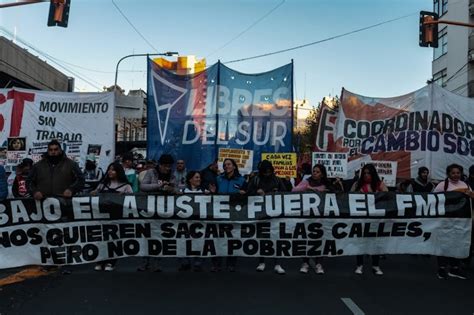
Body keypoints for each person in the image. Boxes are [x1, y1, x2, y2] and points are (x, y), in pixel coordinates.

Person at [292, 164, 338, 275]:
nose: (314, 173)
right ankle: (305, 263)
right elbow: (294, 190)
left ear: (322, 174)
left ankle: (319, 264)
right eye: (313, 171)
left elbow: (336, 194)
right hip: (307, 216)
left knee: (320, 240)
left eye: (317, 172)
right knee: (306, 240)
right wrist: (309, 188)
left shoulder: (327, 184)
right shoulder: (307, 181)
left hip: (321, 217)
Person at [247, 160, 287, 275]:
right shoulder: (255, 179)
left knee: (276, 238)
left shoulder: (277, 180)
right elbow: (248, 193)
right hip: (260, 213)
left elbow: (285, 193)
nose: (267, 174)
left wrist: (277, 192)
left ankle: (277, 263)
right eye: (265, 172)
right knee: (262, 237)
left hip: (275, 213)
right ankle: (261, 262)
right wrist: (256, 192)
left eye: (269, 172)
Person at [138, 154, 176, 272]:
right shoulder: (151, 172)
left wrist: (171, 190)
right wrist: (159, 186)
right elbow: (143, 186)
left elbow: (177, 188)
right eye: (165, 166)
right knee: (147, 235)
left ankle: (157, 263)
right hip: (150, 208)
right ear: (160, 165)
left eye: (169, 166)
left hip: (164, 208)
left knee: (160, 235)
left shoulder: (172, 174)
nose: (167, 169)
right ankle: (145, 262)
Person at [92, 162, 132, 271]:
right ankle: (100, 260)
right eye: (109, 169)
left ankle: (111, 261)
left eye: (113, 170)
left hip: (117, 217)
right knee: (101, 239)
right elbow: (94, 194)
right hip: (102, 217)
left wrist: (124, 197)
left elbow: (132, 201)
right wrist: (94, 193)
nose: (110, 171)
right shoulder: (102, 184)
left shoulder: (126, 186)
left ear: (118, 172)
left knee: (114, 240)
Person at [433, 164, 470, 280]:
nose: (456, 175)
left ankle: (454, 268)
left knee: (457, 243)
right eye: (453, 173)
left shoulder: (465, 185)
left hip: (460, 220)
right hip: (445, 219)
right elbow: (432, 200)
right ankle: (442, 268)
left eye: (458, 173)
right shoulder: (442, 185)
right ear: (448, 174)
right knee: (444, 243)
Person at [350, 164, 388, 276]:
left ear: (373, 173)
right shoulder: (357, 185)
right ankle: (359, 265)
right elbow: (350, 198)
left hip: (376, 219)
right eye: (365, 173)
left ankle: (375, 265)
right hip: (361, 219)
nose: (366, 175)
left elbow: (388, 196)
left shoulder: (379, 184)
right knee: (360, 243)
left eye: (369, 173)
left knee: (375, 243)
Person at [212, 158, 246, 272]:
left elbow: (247, 195)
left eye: (229, 164)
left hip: (233, 214)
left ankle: (231, 263)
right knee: (218, 238)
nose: (226, 166)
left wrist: (243, 193)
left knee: (232, 239)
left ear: (234, 166)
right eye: (225, 165)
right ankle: (216, 264)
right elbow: (215, 193)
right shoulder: (218, 179)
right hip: (220, 213)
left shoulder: (241, 180)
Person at [178, 171, 209, 272]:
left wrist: (211, 194)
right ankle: (184, 262)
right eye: (196, 177)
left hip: (199, 223)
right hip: (185, 223)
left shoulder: (204, 191)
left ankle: (198, 263)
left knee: (199, 242)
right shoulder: (183, 191)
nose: (199, 179)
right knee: (183, 242)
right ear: (190, 179)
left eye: (199, 177)